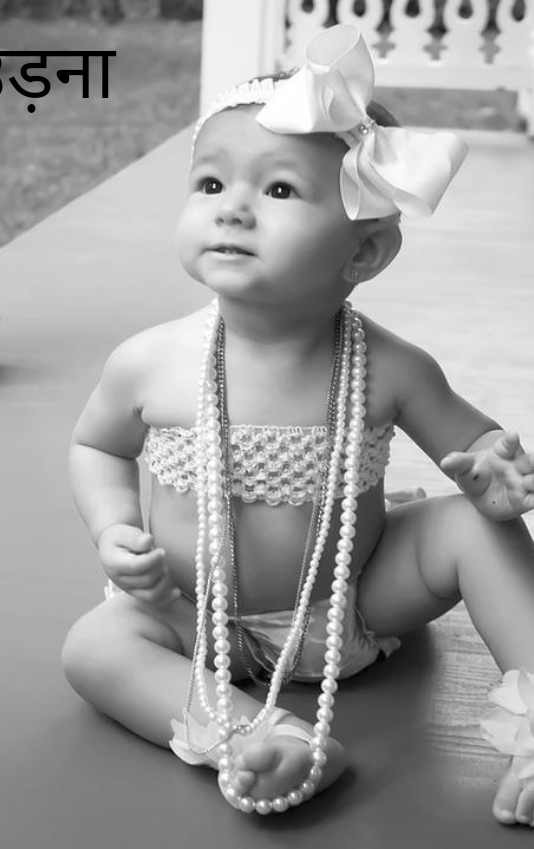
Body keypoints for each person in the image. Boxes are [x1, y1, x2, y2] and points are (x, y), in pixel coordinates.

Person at [61, 24, 534, 825]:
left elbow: (474, 440)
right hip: (189, 613)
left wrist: (495, 470)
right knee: (94, 647)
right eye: (211, 183)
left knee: (472, 529)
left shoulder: (391, 367)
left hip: (355, 600)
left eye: (278, 190)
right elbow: (96, 444)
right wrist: (113, 528)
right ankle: (259, 736)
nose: (233, 209)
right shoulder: (151, 362)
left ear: (364, 252)